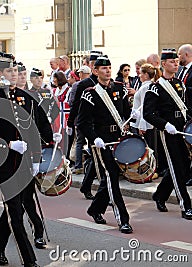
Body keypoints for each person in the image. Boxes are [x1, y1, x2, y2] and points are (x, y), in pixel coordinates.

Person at [0, 52, 53, 267]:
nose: (14, 74)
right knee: (15, 213)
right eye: (9, 71)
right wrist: (9, 144)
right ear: (0, 73)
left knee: (15, 208)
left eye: (16, 70)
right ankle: (29, 260)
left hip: (26, 163)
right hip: (6, 163)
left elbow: (41, 127)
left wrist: (40, 153)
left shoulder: (25, 98)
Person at [77, 56, 133, 234]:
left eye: (109, 68)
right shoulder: (90, 93)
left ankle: (95, 209)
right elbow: (83, 123)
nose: (107, 71)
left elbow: (125, 113)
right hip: (102, 141)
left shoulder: (119, 88)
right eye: (103, 68)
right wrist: (94, 139)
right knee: (112, 177)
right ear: (95, 71)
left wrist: (133, 118)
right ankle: (123, 219)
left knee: (111, 178)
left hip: (118, 139)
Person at [143, 48, 192, 220]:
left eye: (177, 61)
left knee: (185, 167)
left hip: (182, 130)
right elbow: (147, 114)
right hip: (168, 132)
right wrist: (165, 125)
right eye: (172, 62)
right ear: (163, 64)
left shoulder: (180, 84)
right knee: (177, 168)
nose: (176, 64)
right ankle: (186, 206)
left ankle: (160, 195)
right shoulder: (155, 88)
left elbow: (186, 107)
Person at [67, 50, 103, 200]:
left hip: (102, 124)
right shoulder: (84, 84)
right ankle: (100, 192)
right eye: (94, 64)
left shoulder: (106, 82)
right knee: (98, 156)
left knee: (97, 157)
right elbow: (75, 105)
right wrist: (70, 122)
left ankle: (87, 185)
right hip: (88, 124)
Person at [177, 44, 192, 186]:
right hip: (184, 116)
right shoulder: (181, 71)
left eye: (179, 54)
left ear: (186, 55)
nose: (178, 57)